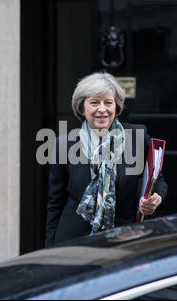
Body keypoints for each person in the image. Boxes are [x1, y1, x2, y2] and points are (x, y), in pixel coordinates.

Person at [45, 72, 168, 247]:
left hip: (124, 239)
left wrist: (156, 198)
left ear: (116, 107)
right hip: (74, 243)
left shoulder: (137, 137)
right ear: (82, 107)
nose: (102, 109)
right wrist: (50, 251)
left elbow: (158, 179)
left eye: (108, 103)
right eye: (94, 102)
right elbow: (55, 204)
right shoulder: (64, 145)